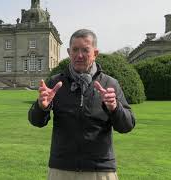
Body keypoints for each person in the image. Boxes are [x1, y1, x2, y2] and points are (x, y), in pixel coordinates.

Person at [28, 29, 135, 180]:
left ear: (95, 53)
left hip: (100, 170)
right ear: (68, 52)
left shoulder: (109, 83)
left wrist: (115, 108)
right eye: (75, 50)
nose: (79, 55)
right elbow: (36, 121)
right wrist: (41, 107)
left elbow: (127, 125)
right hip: (62, 169)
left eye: (85, 50)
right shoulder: (55, 83)